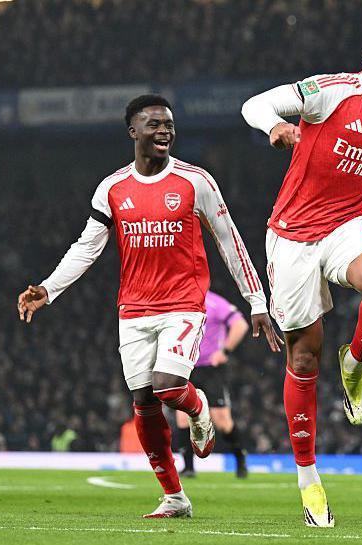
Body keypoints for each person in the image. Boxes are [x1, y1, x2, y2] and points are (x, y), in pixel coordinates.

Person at [17, 95, 278, 518]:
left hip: (183, 304)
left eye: (169, 124)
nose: (164, 131)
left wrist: (256, 300)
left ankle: (199, 410)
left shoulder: (196, 182)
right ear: (132, 132)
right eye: (154, 124)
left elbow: (230, 242)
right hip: (134, 310)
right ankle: (175, 496)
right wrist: (48, 288)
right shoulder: (113, 188)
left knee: (168, 385)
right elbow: (87, 248)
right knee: (143, 402)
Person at [240, 22, 362, 527]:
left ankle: (354, 362)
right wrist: (276, 127)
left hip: (347, 225)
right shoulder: (331, 91)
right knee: (304, 357)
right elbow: (254, 104)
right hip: (290, 237)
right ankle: (309, 482)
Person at [176, 290, 251, 479]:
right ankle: (189, 467)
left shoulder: (215, 303)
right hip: (187, 367)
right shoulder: (179, 299)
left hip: (210, 370)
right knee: (183, 417)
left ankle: (240, 460)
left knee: (222, 421)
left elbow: (240, 325)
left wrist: (224, 351)